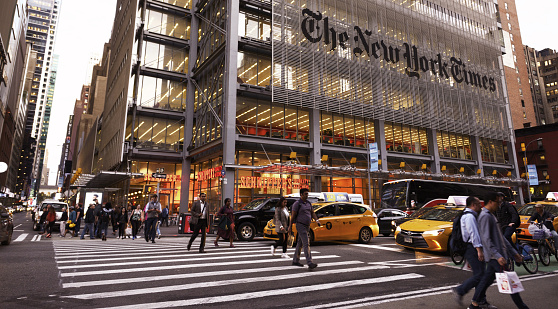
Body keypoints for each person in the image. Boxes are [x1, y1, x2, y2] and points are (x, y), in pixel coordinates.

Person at [472, 192, 528, 309]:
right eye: (498, 202)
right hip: (495, 257)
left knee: (486, 280)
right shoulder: (485, 216)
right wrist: (498, 256)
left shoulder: (491, 215)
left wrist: (514, 253)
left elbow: (501, 238)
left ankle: (474, 304)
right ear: (491, 202)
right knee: (510, 283)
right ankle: (522, 307)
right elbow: (486, 239)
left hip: (496, 256)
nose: (499, 204)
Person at [452, 197, 485, 306]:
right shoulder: (470, 217)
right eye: (479, 204)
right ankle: (460, 290)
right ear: (473, 205)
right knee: (480, 275)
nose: (481, 206)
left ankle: (481, 299)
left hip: (471, 247)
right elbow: (473, 234)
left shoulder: (467, 215)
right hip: (472, 248)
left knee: (480, 274)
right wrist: (479, 249)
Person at [289, 188, 320, 269]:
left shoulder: (308, 203)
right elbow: (293, 216)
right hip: (300, 225)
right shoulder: (297, 204)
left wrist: (317, 220)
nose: (307, 195)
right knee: (306, 243)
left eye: (307, 193)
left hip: (307, 226)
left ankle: (295, 260)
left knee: (300, 243)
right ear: (301, 195)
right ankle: (309, 262)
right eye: (305, 194)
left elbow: (312, 212)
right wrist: (289, 227)